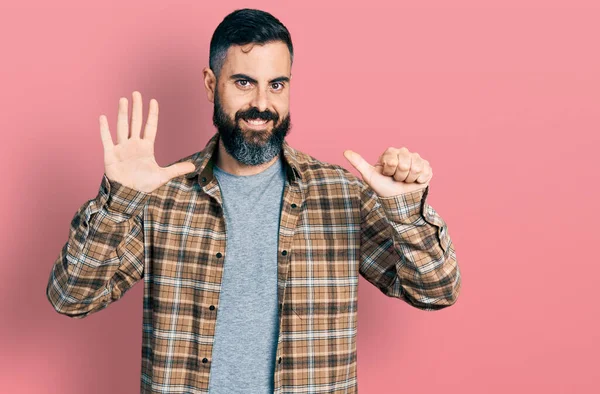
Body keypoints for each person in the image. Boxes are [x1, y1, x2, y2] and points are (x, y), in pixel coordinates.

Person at [46, 8, 461, 394]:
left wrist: (406, 213)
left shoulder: (341, 196)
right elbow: (71, 297)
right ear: (211, 85)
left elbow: (436, 291)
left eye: (276, 85)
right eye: (244, 82)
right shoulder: (162, 197)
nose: (262, 104)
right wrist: (119, 201)